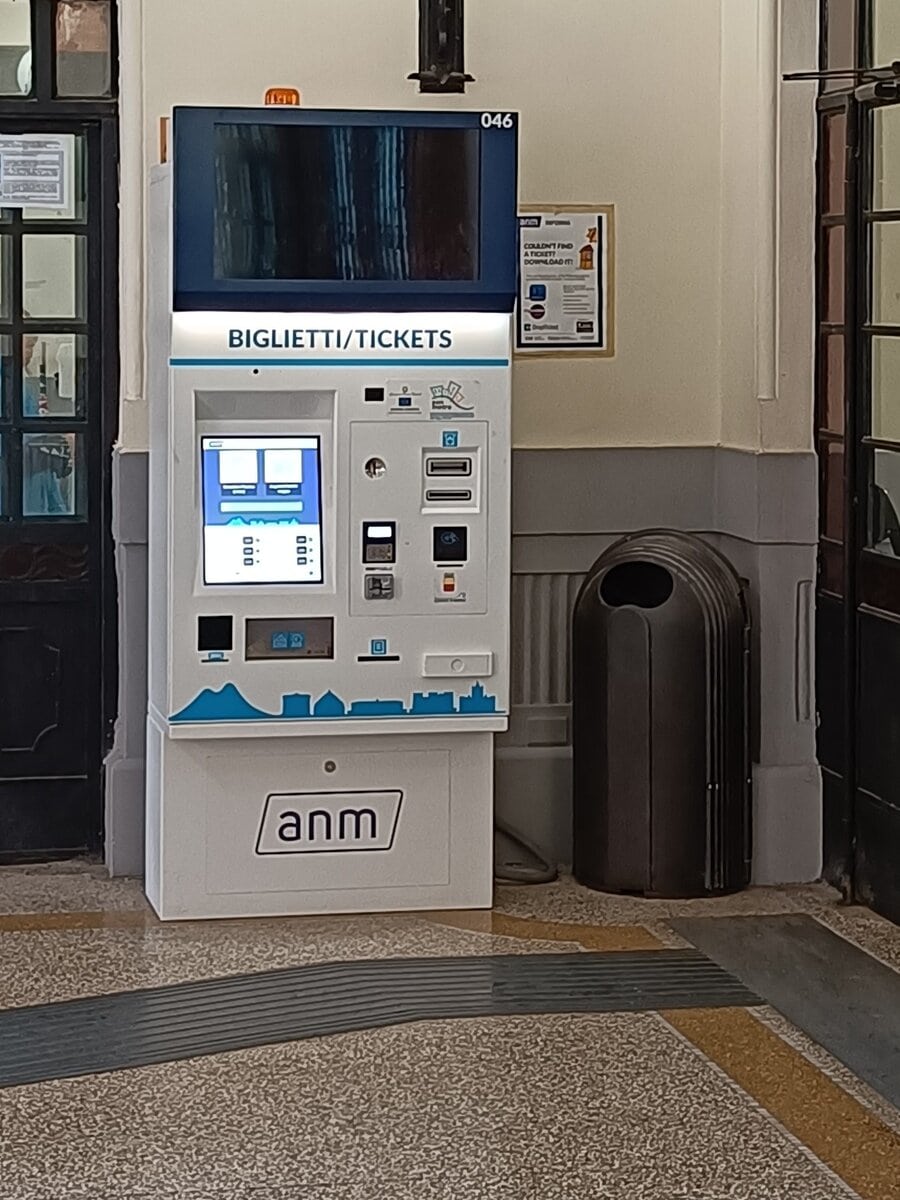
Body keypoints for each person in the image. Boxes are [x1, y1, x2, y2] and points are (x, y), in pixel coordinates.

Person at [22, 335, 71, 516]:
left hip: (35, 464)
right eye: (28, 347)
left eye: (32, 347)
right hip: (24, 466)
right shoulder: (12, 382)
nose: (31, 354)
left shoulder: (23, 381)